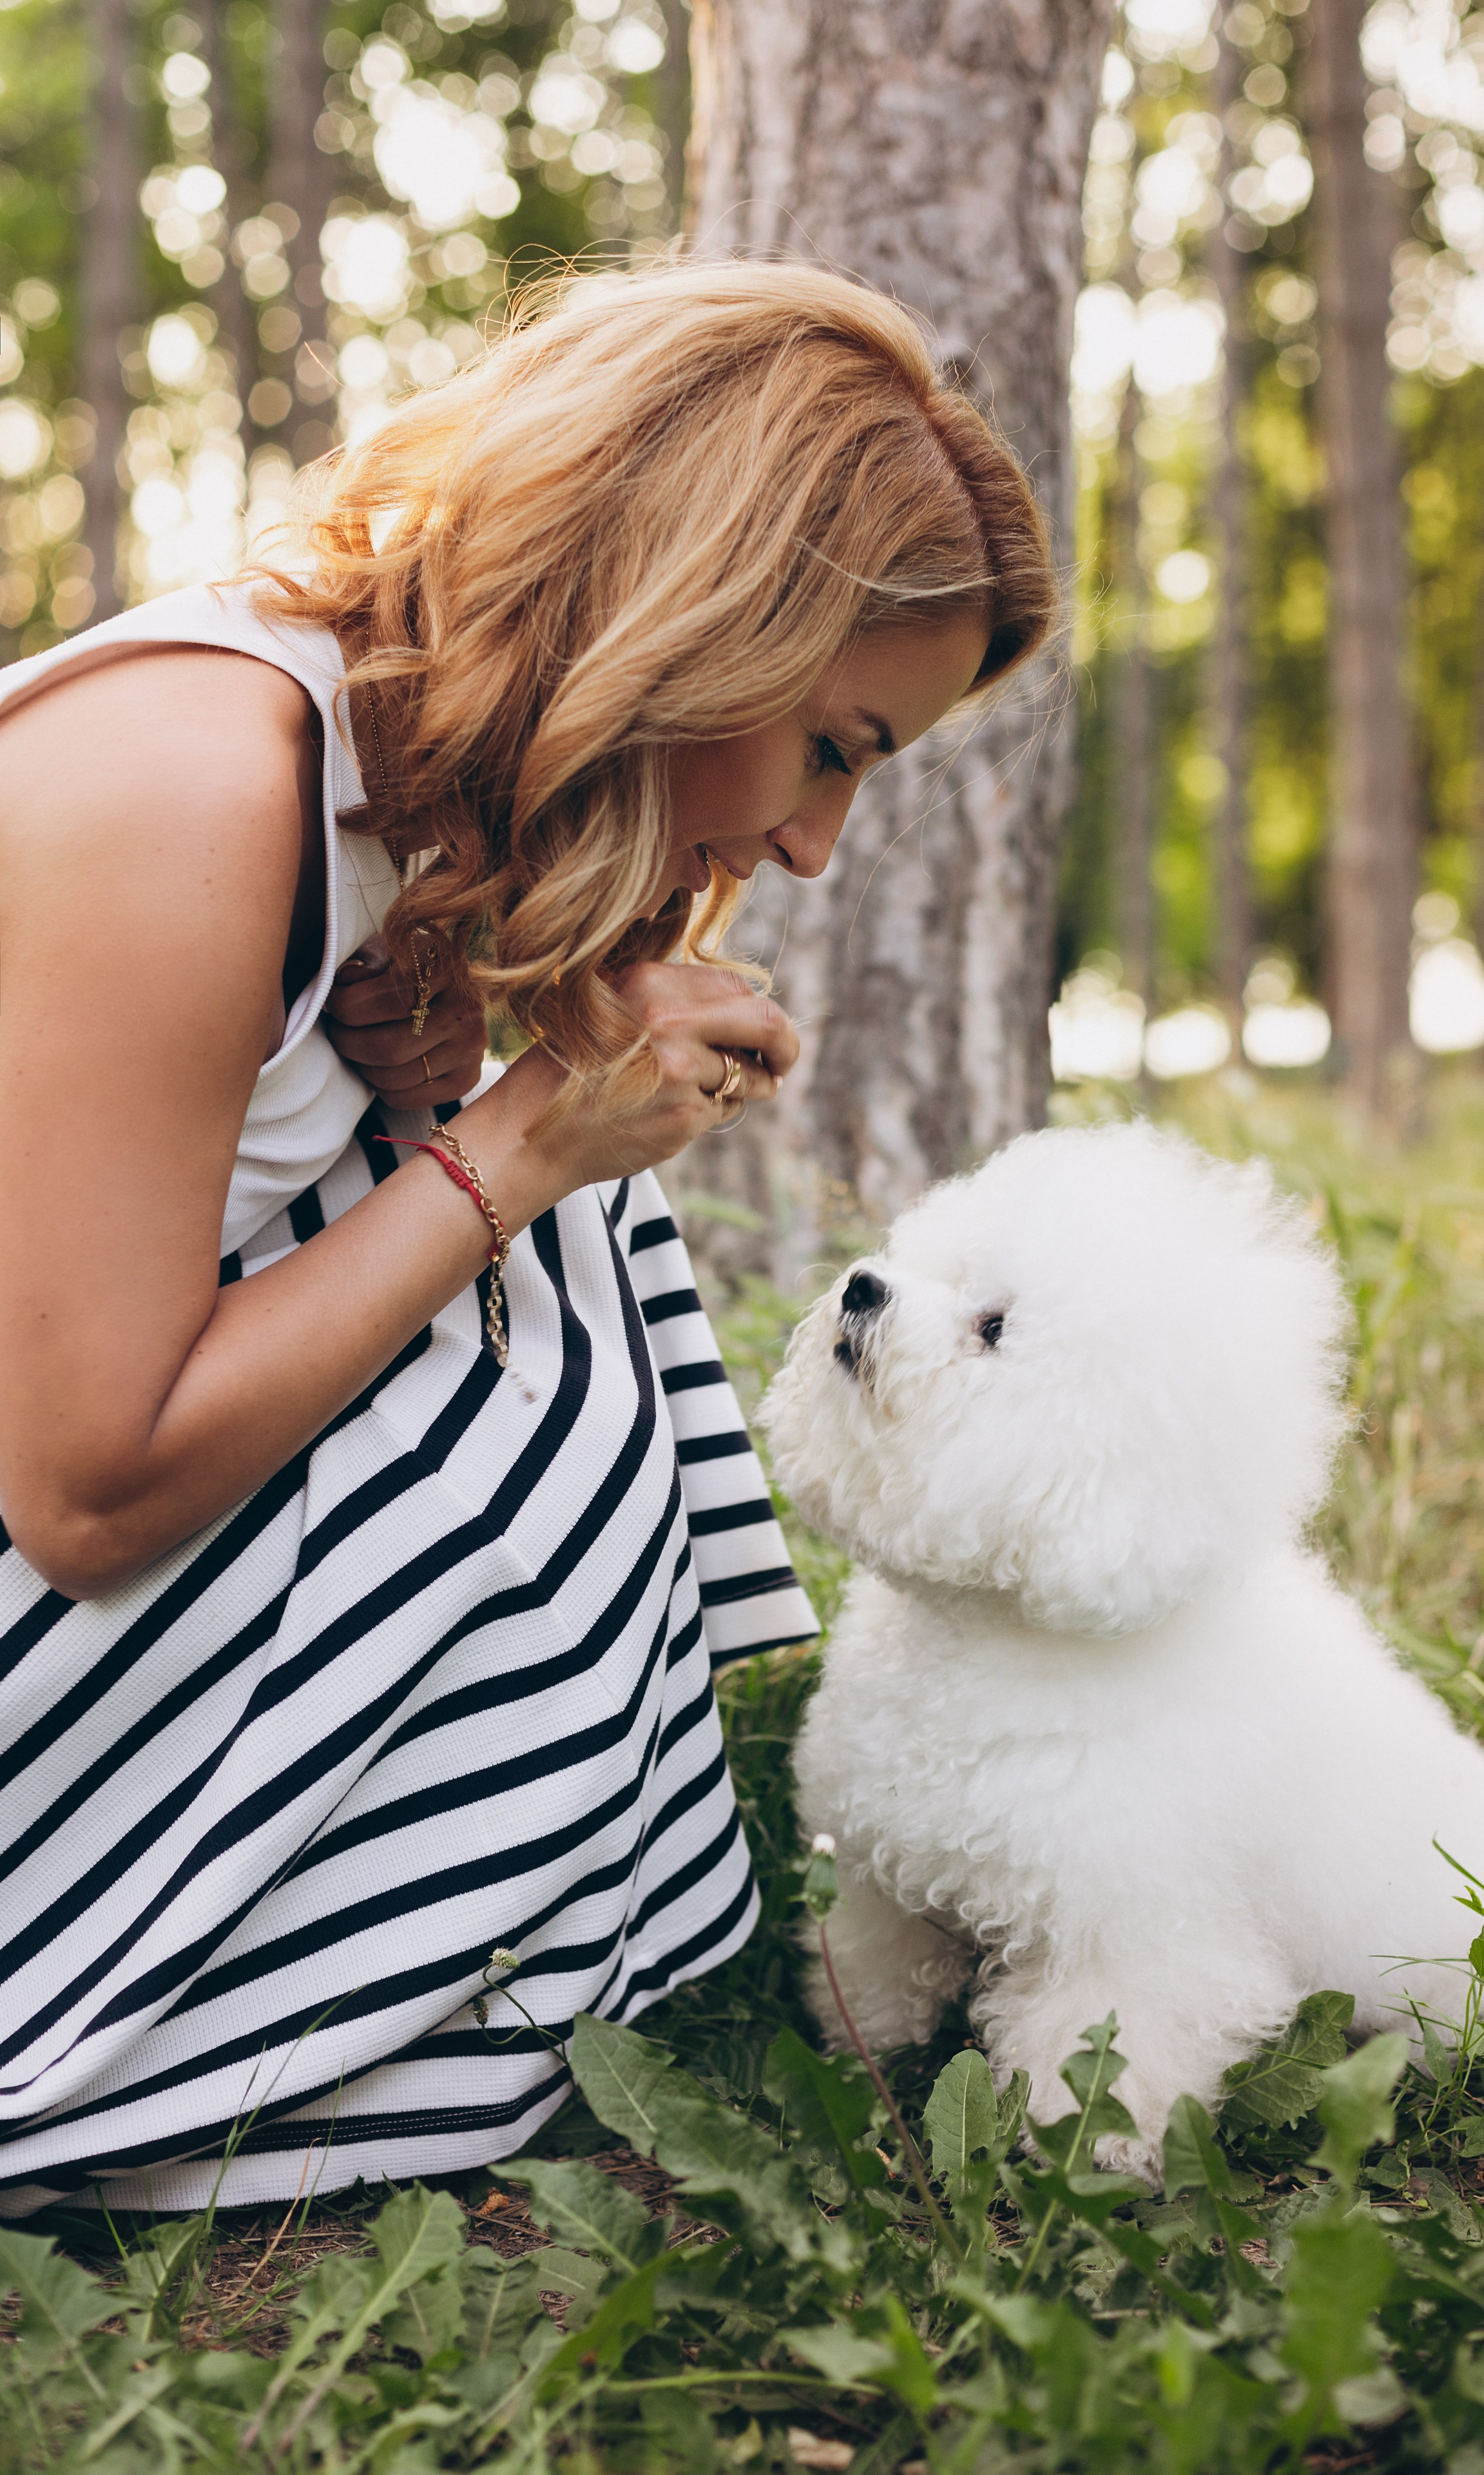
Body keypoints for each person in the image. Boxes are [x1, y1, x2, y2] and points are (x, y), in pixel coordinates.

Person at [0, 260, 1056, 2217]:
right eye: (835, 743)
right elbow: (80, 1484)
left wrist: (489, 1071)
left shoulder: (384, 794)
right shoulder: (195, 777)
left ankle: (521, 1958)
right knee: (542, 1274)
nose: (820, 844)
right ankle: (267, 2024)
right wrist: (511, 1149)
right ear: (694, 614)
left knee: (580, 1261)